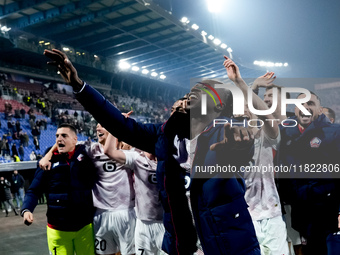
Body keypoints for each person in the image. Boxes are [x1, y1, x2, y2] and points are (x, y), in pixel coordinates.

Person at [44, 49, 260, 255]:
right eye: (189, 94)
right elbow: (119, 124)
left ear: (216, 109)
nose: (189, 97)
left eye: (202, 94)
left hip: (226, 244)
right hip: (182, 246)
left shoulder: (225, 136)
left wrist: (243, 141)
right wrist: (79, 86)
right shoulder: (164, 137)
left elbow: (241, 149)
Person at [223, 56, 289, 254]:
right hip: (242, 215)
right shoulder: (225, 140)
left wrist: (241, 83)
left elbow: (265, 114)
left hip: (272, 215)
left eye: (249, 108)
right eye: (241, 110)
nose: (246, 111)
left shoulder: (267, 136)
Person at [40, 123, 136, 255]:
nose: (97, 128)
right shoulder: (90, 149)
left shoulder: (128, 152)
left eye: (102, 125)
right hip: (101, 214)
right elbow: (64, 141)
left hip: (126, 211)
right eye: (97, 125)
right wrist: (48, 155)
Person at [279, 92, 340, 255]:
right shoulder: (287, 134)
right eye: (301, 105)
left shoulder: (334, 132)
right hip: (300, 208)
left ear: (320, 110)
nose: (305, 108)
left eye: (310, 104)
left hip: (326, 209)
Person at [21, 123, 96, 255]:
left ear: (75, 139)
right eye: (57, 136)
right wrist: (27, 209)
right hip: (57, 230)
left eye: (64, 135)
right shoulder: (47, 162)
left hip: (84, 228)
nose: (59, 138)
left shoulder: (87, 155)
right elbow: (34, 190)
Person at [103, 132, 165, 255]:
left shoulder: (171, 160)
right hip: (142, 224)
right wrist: (114, 128)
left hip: (165, 224)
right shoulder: (137, 158)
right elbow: (109, 151)